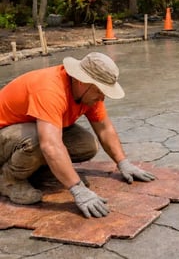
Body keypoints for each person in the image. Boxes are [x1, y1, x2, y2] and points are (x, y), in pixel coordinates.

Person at [0, 52, 155, 218]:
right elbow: (50, 145)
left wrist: (123, 162)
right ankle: (9, 180)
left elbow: (104, 129)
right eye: (99, 90)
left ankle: (40, 171)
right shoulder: (50, 89)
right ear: (82, 81)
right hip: (5, 136)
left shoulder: (89, 94)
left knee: (85, 145)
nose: (102, 97)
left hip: (23, 134)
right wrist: (77, 189)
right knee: (39, 140)